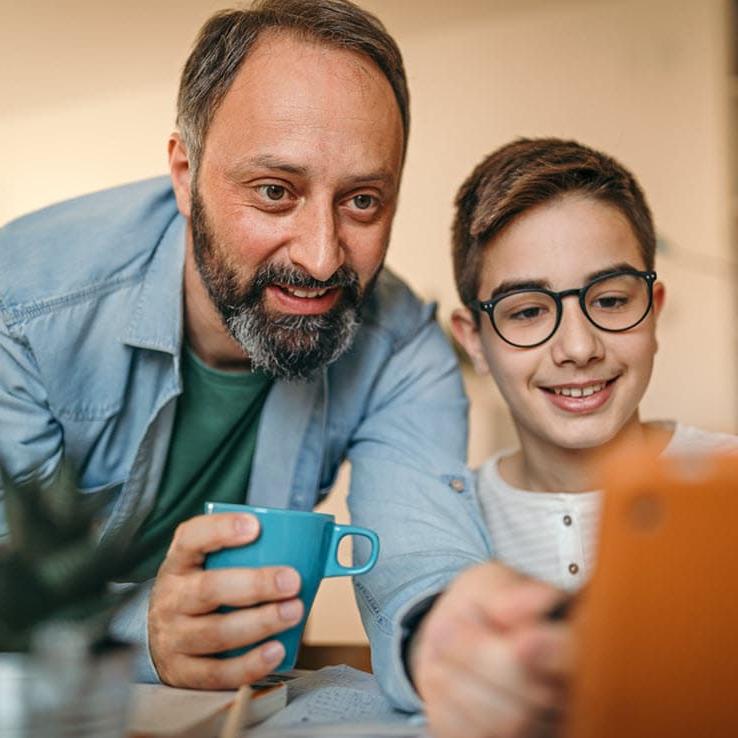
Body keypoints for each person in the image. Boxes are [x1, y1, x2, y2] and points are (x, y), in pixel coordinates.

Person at [0, 0, 473, 693]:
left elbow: (422, 560)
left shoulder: (403, 350)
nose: (319, 259)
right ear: (186, 175)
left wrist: (460, 645)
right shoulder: (22, 309)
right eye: (276, 191)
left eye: (363, 201)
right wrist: (137, 632)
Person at [407, 138, 738, 738]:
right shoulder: (449, 528)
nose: (579, 347)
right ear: (475, 339)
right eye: (528, 311)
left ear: (653, 310)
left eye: (611, 300)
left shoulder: (728, 479)